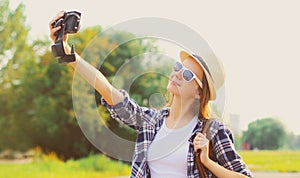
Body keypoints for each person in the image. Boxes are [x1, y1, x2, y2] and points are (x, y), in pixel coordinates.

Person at [49, 11, 253, 178]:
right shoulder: (151, 122)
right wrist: (69, 55)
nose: (177, 74)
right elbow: (108, 91)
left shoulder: (213, 130)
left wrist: (208, 162)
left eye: (188, 74)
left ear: (199, 93)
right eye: (178, 67)